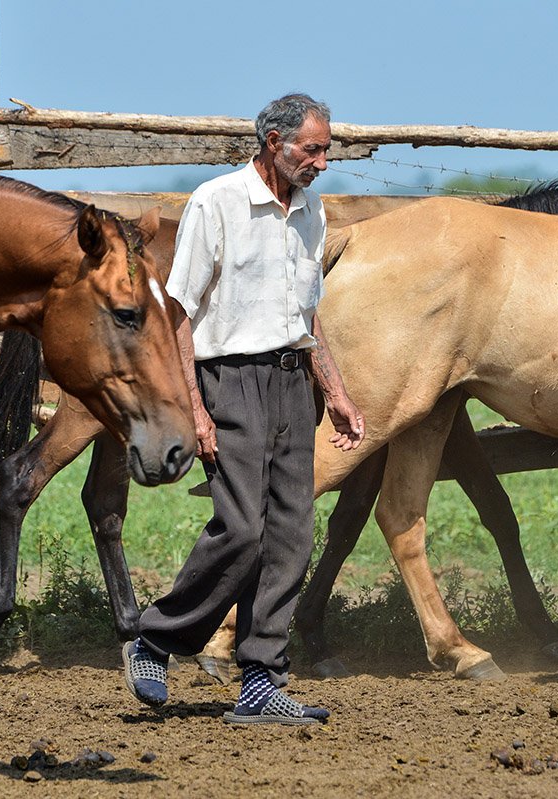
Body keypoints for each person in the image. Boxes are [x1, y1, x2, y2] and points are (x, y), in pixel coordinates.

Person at [123, 93, 364, 725]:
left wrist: (335, 392)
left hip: (291, 380)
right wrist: (195, 410)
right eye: (311, 148)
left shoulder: (312, 210)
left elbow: (306, 316)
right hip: (228, 379)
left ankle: (261, 680)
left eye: (326, 149)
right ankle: (156, 639)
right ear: (273, 142)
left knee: (291, 534)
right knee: (242, 528)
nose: (321, 161)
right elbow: (179, 315)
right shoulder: (216, 202)